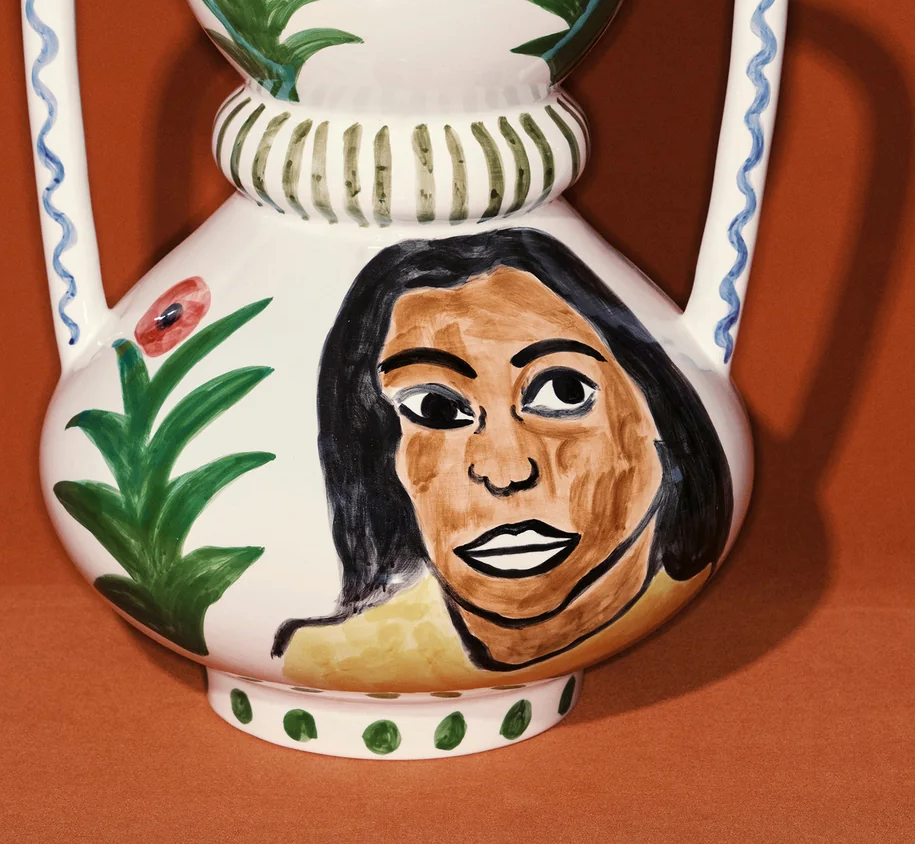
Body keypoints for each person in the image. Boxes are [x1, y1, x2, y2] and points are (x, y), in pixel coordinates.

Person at [273, 227, 732, 689]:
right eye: (435, 408)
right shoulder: (326, 658)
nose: (505, 470)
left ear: (659, 412)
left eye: (564, 392)